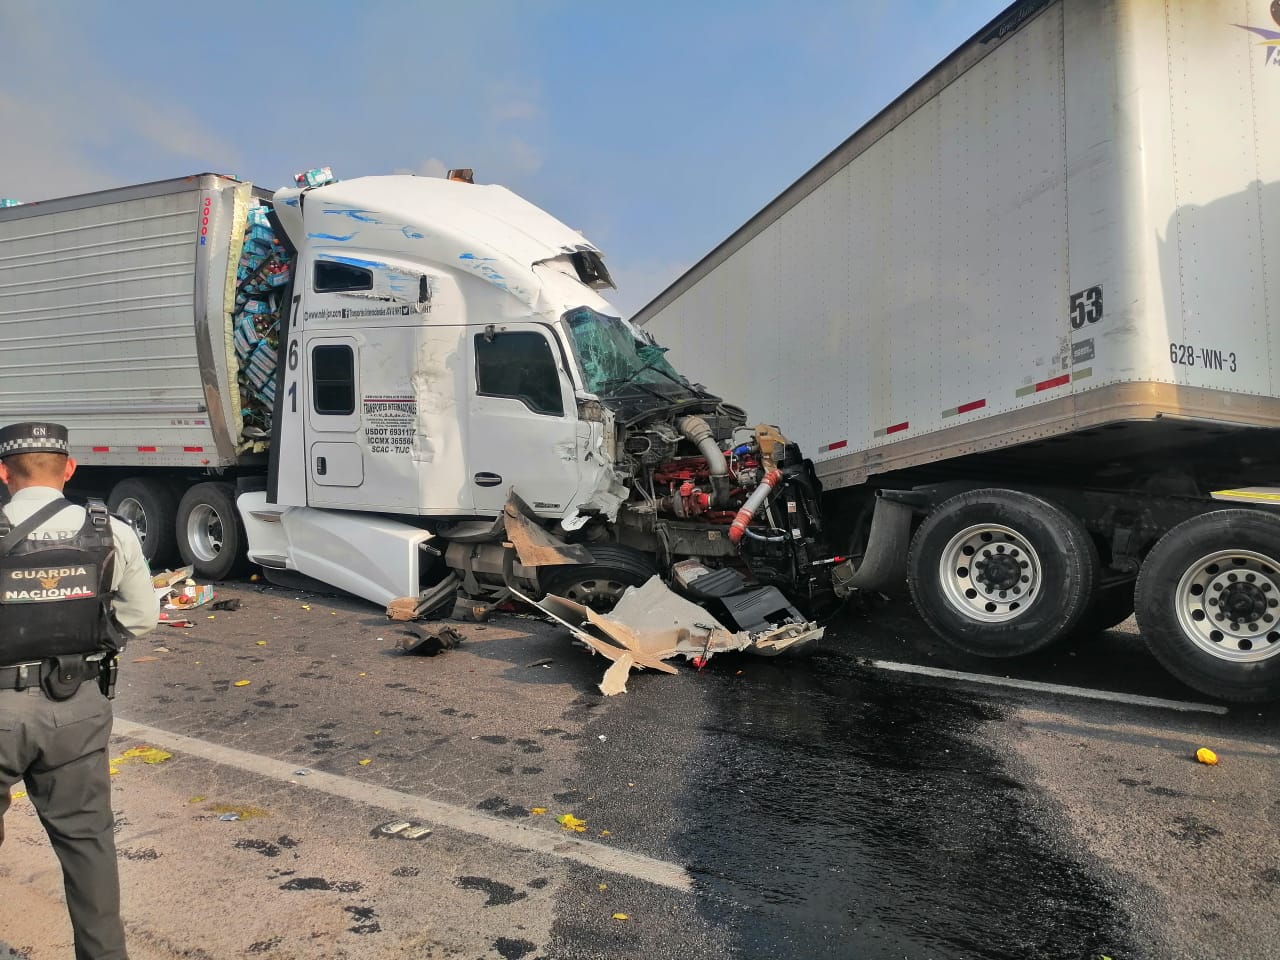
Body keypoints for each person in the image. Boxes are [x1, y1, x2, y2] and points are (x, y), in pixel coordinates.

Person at [0, 422, 158, 960]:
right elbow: (140, 617)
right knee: (88, 848)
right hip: (75, 706)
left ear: (3, 473)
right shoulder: (110, 531)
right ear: (69, 468)